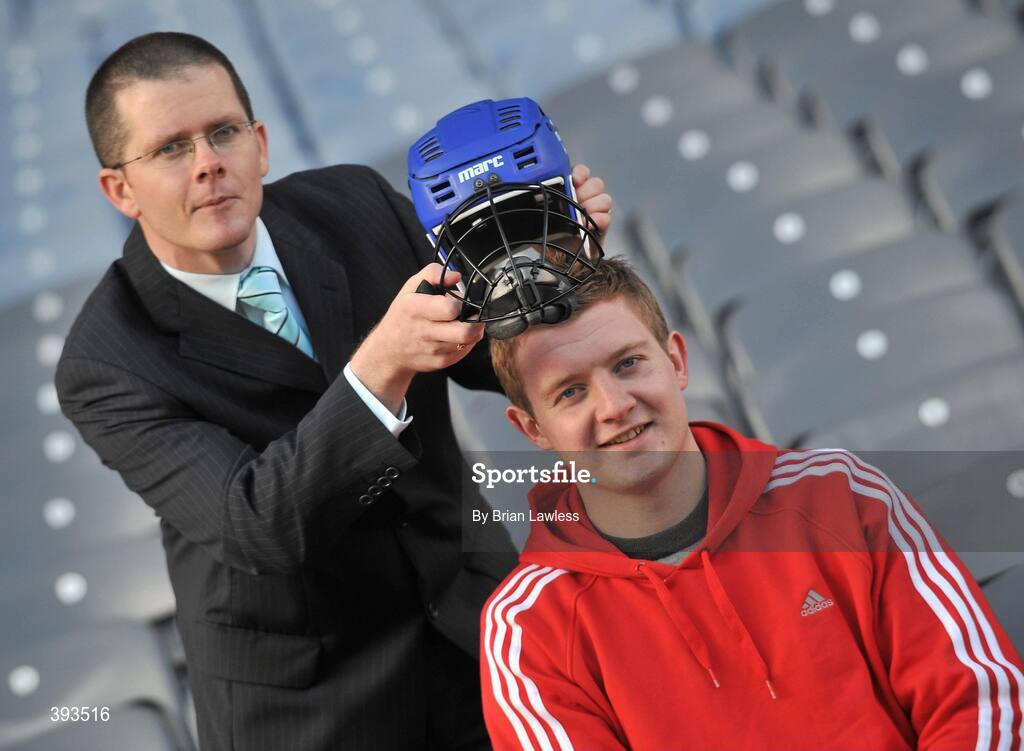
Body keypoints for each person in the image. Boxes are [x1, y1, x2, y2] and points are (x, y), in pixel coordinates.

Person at [54, 32, 612, 751]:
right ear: (118, 189)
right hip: (313, 710)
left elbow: (491, 359)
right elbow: (257, 521)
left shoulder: (356, 202)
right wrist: (382, 363)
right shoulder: (106, 361)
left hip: (482, 627)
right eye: (170, 148)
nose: (208, 165)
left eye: (223, 131)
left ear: (260, 143)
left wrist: (553, 262)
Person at [479, 256, 1024, 750]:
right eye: (570, 392)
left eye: (628, 364)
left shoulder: (842, 495)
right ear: (533, 429)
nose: (616, 405)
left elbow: (982, 701)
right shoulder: (527, 630)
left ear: (676, 361)